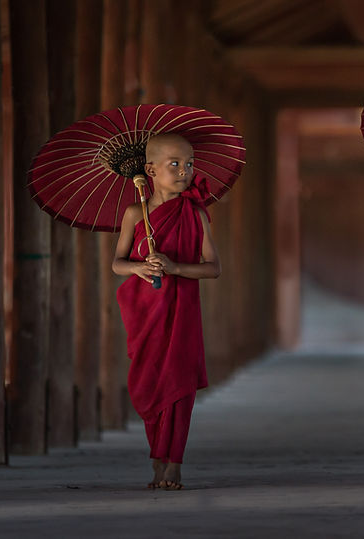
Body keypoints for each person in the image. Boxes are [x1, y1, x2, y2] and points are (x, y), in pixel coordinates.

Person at [112, 133, 221, 491]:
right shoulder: (134, 214)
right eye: (174, 164)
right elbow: (117, 263)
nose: (184, 171)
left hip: (182, 312)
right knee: (150, 383)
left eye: (189, 164)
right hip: (146, 313)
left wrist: (175, 268)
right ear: (151, 170)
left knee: (178, 383)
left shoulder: (196, 214)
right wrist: (139, 267)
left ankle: (174, 462)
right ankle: (157, 458)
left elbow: (213, 268)